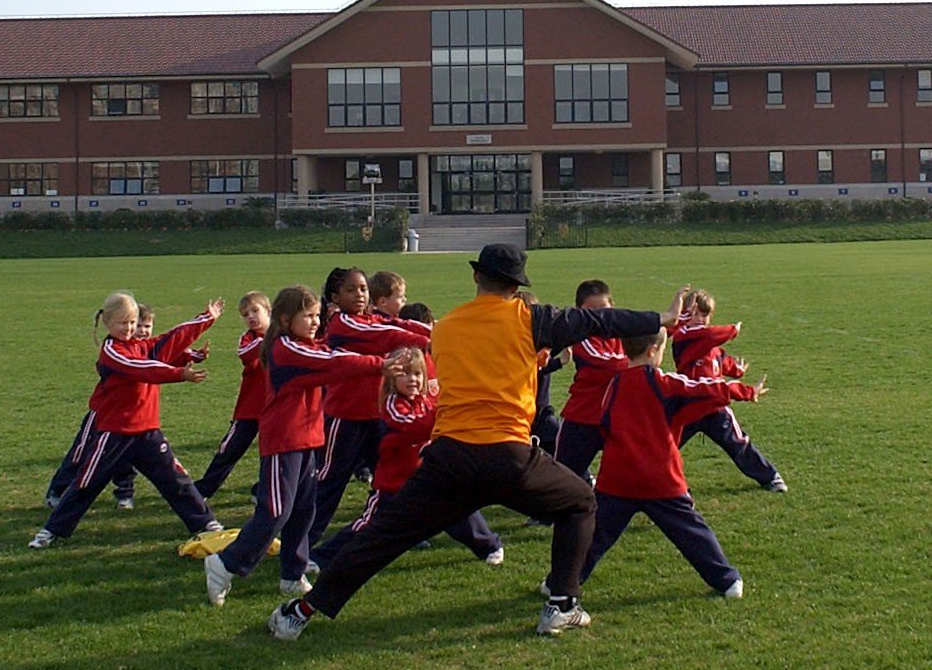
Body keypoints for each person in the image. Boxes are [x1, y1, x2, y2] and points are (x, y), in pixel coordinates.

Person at [267, 243, 685, 641]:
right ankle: (562, 603)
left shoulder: (446, 327)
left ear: (478, 280)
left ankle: (299, 613)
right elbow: (598, 322)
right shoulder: (530, 318)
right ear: (515, 287)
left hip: (449, 458)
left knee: (382, 538)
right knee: (580, 502)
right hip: (509, 456)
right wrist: (662, 319)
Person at [202, 286, 397, 605]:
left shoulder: (305, 344)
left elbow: (334, 352)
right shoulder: (286, 349)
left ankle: (292, 574)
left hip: (307, 439)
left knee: (304, 509)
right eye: (307, 316)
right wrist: (381, 363)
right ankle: (225, 563)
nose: (315, 322)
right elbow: (334, 361)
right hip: (283, 441)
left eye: (317, 315)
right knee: (275, 510)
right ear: (284, 318)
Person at [542, 327, 765, 599]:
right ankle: (727, 580)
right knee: (692, 532)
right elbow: (702, 389)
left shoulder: (613, 384)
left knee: (594, 537)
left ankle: (558, 583)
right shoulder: (664, 383)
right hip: (662, 479)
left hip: (617, 478)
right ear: (652, 351)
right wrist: (744, 391)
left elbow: (605, 422)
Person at [28, 294, 224, 548]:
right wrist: (179, 374)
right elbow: (141, 369)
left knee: (176, 479)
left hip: (147, 432)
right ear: (108, 323)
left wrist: (206, 318)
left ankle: (206, 523)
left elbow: (172, 338)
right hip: (115, 433)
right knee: (86, 483)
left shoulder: (142, 345)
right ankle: (51, 531)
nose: (130, 328)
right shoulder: (112, 352)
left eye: (132, 322)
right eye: (123, 323)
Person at [315, 346, 504, 568]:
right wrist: (445, 415)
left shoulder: (425, 403)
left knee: (458, 507)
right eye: (404, 374)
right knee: (369, 526)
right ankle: (322, 556)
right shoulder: (391, 405)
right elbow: (413, 426)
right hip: (395, 485)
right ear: (391, 378)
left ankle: (489, 546)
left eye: (417, 373)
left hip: (428, 479)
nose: (412, 379)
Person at [308, 268, 431, 547]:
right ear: (335, 296)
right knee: (330, 482)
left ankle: (400, 531)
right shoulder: (343, 324)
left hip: (378, 416)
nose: (360, 295)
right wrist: (431, 341)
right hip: (346, 417)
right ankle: (303, 541)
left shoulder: (371, 318)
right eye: (351, 290)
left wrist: (440, 331)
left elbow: (400, 325)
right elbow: (387, 334)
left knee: (394, 478)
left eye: (363, 289)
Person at [42, 302, 176, 511]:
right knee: (81, 453)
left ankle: (124, 493)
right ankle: (58, 491)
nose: (141, 331)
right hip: (102, 412)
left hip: (126, 417)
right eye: (136, 325)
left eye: (145, 326)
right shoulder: (117, 350)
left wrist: (192, 355)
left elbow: (163, 359)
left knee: (127, 455)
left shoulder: (143, 348)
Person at [673, 289, 787, 493]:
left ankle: (770, 477)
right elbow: (709, 336)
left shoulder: (712, 346)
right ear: (684, 314)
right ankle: (647, 485)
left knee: (739, 443)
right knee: (665, 448)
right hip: (688, 407)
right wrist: (733, 330)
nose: (700, 319)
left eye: (704, 315)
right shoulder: (684, 338)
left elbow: (722, 361)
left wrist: (738, 370)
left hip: (716, 408)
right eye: (694, 314)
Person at [194, 292, 270, 501]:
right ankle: (203, 490)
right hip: (249, 407)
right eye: (245, 314)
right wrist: (270, 339)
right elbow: (245, 354)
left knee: (270, 454)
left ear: (268, 311)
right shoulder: (249, 338)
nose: (251, 317)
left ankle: (262, 490)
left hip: (274, 408)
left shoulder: (285, 336)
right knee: (229, 451)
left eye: (255, 311)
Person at [553, 279, 632, 482]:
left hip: (617, 417)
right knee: (563, 475)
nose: (600, 317)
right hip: (583, 416)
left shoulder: (621, 332)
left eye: (604, 309)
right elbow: (608, 364)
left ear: (612, 307)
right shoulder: (581, 335)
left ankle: (674, 496)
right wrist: (639, 361)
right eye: (591, 311)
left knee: (638, 467)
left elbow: (648, 338)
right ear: (578, 311)